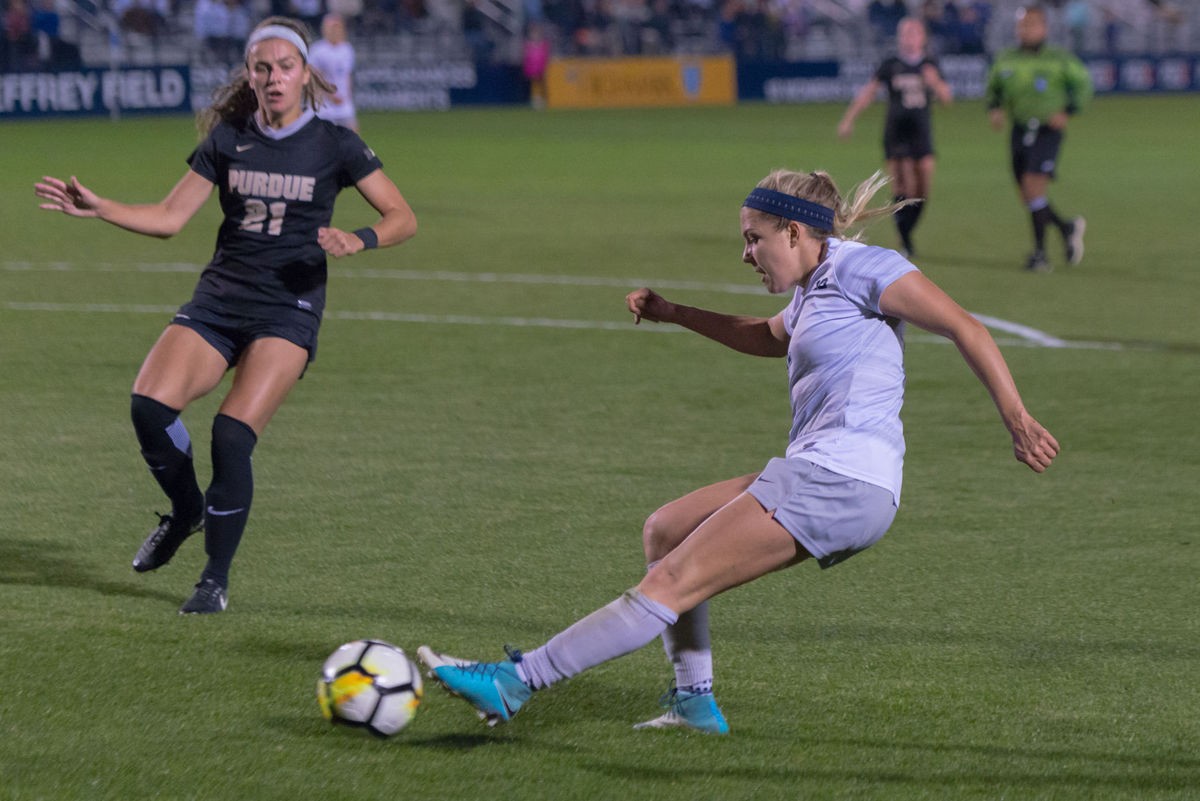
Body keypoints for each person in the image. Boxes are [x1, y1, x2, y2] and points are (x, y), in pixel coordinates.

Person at [417, 168, 1059, 733]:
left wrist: (1017, 417)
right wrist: (675, 312)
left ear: (796, 233)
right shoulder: (814, 288)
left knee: (669, 582)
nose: (746, 253)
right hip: (821, 470)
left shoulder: (864, 267)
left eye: (755, 238)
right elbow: (766, 338)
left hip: (843, 478)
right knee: (667, 531)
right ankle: (694, 702)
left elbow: (963, 325)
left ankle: (518, 680)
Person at [34, 16, 417, 614]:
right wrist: (101, 207)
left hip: (286, 309)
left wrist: (359, 239)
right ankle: (186, 510)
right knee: (149, 407)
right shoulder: (227, 138)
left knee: (230, 436)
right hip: (220, 299)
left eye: (284, 67)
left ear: (305, 73)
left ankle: (213, 580)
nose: (273, 78)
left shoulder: (337, 144)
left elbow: (403, 216)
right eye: (261, 68)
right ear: (249, 74)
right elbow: (167, 218)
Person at [985, 4, 1092, 273]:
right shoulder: (1007, 58)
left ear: (1043, 28)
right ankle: (1066, 227)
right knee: (1027, 195)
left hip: (1047, 131)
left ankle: (1040, 255)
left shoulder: (1058, 58)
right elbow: (994, 88)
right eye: (1023, 25)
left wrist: (1068, 110)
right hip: (1019, 130)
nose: (1026, 30)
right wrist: (995, 108)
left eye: (1032, 25)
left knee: (1034, 187)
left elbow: (1083, 84)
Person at [838, 16, 952, 257]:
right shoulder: (890, 64)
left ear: (922, 37)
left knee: (923, 188)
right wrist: (849, 119)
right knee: (905, 186)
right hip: (896, 133)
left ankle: (905, 232)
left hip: (922, 132)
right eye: (905, 33)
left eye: (914, 32)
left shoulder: (930, 64)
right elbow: (869, 92)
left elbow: (946, 99)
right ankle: (906, 239)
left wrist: (935, 83)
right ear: (900, 37)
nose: (909, 37)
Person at [308, 13, 358, 131]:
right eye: (332, 27)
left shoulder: (347, 49)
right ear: (324, 29)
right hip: (325, 107)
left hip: (344, 104)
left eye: (338, 27)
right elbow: (315, 77)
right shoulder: (317, 50)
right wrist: (330, 96)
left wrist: (348, 94)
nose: (335, 31)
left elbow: (347, 75)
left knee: (353, 139)